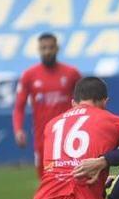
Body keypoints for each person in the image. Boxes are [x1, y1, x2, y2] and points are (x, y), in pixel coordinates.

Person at [12, 32, 82, 179]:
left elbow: (85, 101)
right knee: (46, 180)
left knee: (72, 178)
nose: (47, 51)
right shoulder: (29, 75)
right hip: (43, 137)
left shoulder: (72, 73)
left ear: (57, 48)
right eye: (44, 48)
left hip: (69, 135)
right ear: (39, 49)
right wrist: (18, 129)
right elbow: (19, 106)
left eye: (50, 47)